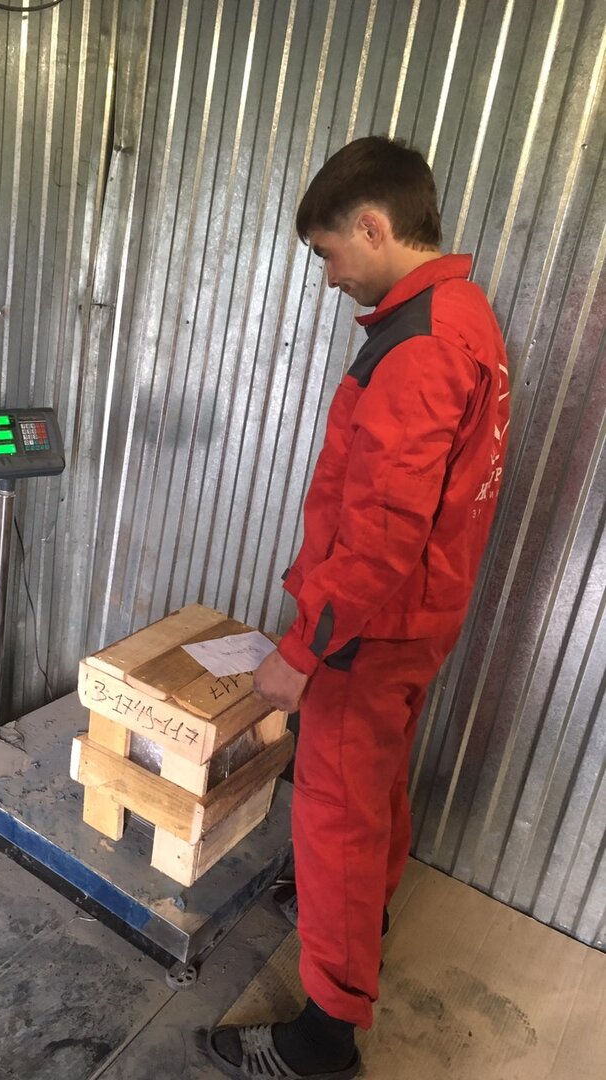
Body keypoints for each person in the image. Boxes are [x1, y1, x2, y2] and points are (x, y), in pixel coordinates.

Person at [206, 135, 509, 1079]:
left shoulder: (419, 348)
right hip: (416, 621)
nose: (330, 276)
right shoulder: (462, 315)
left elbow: (380, 534)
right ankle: (361, 919)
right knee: (373, 792)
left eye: (328, 252)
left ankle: (322, 1040)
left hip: (368, 633)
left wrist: (302, 651)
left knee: (334, 815)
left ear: (374, 228)